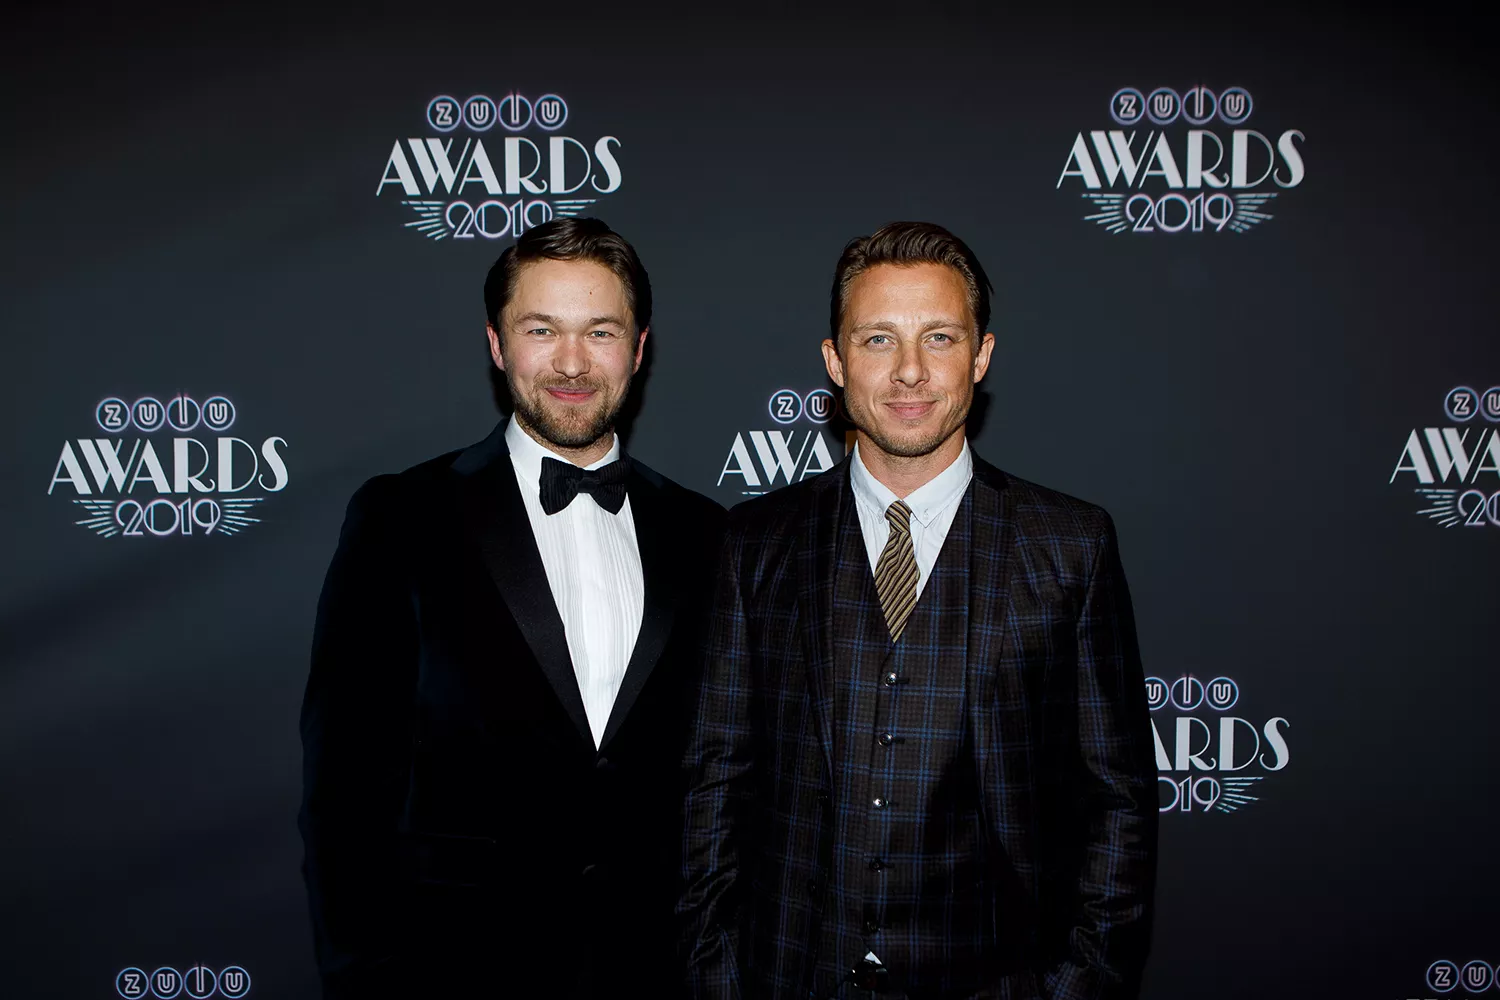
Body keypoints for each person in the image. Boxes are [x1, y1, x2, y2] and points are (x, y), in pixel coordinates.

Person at [680, 222, 1157, 1000]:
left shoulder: (1071, 545)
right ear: (835, 361)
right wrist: (717, 977)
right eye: (878, 339)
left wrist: (1077, 986)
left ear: (982, 356)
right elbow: (714, 782)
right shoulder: (756, 543)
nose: (909, 370)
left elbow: (1117, 801)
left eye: (939, 337)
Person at [300, 217, 724, 999]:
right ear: (498, 345)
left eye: (601, 331)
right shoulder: (403, 518)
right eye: (541, 329)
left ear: (639, 349)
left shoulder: (708, 534)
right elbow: (345, 795)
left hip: (656, 974)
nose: (572, 362)